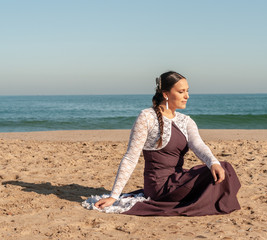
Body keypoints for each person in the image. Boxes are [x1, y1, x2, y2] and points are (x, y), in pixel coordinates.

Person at [89, 71, 241, 216]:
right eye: (181, 92)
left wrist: (213, 162)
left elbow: (199, 145)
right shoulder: (147, 117)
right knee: (219, 172)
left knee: (223, 168)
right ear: (166, 94)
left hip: (178, 180)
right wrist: (114, 196)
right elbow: (131, 157)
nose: (187, 96)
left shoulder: (185, 121)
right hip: (159, 187)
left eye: (187, 91)